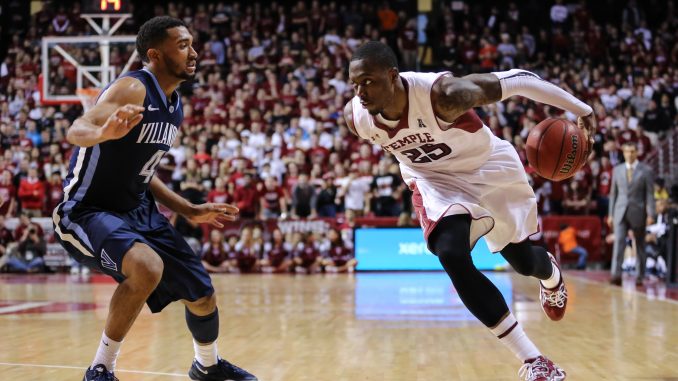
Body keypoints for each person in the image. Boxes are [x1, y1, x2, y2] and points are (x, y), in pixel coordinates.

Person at [345, 41, 596, 380]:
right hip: (435, 181)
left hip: (488, 169)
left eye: (369, 81)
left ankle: (550, 274)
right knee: (450, 253)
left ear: (393, 76)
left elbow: (519, 79)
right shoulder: (357, 117)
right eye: (355, 84)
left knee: (523, 262)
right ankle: (535, 360)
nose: (361, 92)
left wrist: (582, 111)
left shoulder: (444, 95)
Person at [51, 17, 257, 381]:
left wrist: (189, 208)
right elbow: (76, 129)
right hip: (87, 209)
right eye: (182, 45)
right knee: (147, 267)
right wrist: (103, 131)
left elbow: (144, 173)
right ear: (155, 54)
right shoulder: (133, 88)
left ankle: (206, 366)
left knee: (203, 296)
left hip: (138, 210)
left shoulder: (174, 105)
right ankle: (101, 368)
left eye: (192, 43)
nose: (194, 53)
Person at [608, 142, 655, 287]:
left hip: (638, 212)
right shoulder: (617, 170)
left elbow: (650, 194)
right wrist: (610, 214)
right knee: (619, 243)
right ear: (623, 153)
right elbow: (613, 194)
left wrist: (651, 214)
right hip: (620, 211)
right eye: (627, 151)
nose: (630, 154)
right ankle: (616, 275)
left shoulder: (646, 170)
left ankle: (640, 275)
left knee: (640, 245)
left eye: (633, 151)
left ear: (637, 152)